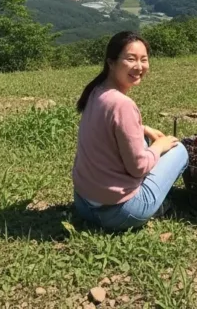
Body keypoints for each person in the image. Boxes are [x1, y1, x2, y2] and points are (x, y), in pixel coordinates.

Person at [71, 31, 188, 231]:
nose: (139, 66)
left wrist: (143, 128)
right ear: (111, 62)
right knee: (179, 150)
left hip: (84, 204)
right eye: (131, 59)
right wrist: (159, 146)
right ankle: (159, 205)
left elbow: (109, 126)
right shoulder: (122, 104)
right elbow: (138, 168)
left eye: (144, 59)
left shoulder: (96, 91)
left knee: (142, 141)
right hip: (120, 213)